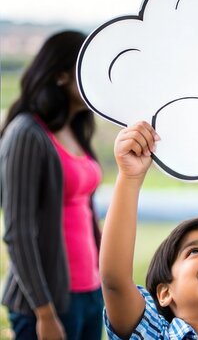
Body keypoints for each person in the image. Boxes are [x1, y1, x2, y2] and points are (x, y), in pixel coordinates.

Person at [101, 121, 198, 339]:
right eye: (194, 251)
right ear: (166, 293)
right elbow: (115, 282)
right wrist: (130, 177)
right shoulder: (153, 335)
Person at [1, 30, 104, 340]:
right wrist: (44, 312)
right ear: (60, 75)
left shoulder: (76, 130)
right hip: (49, 303)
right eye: (87, 69)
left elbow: (85, 214)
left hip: (90, 293)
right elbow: (18, 232)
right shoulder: (26, 134)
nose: (97, 80)